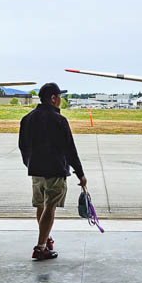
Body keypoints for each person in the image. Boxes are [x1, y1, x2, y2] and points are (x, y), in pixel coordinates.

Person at [18, 82, 87, 260]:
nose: (61, 101)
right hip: (55, 171)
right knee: (50, 207)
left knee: (41, 205)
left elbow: (23, 147)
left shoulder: (27, 118)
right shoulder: (59, 120)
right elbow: (70, 149)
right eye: (60, 97)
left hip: (36, 171)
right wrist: (80, 173)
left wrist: (30, 164)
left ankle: (46, 238)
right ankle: (41, 247)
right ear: (53, 98)